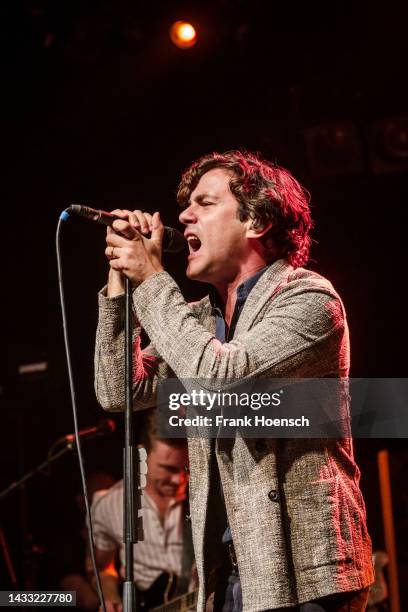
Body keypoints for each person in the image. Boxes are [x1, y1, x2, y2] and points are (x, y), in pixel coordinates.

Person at [94, 150, 374, 611]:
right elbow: (117, 391)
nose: (183, 215)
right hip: (229, 575)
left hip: (308, 576)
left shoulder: (310, 300)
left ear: (256, 221)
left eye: (204, 203)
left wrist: (152, 280)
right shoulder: (195, 322)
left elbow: (222, 376)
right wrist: (122, 284)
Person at [90, 435, 194, 612]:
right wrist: (111, 599)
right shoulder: (108, 504)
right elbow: (102, 569)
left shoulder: (206, 498)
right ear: (142, 455)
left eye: (185, 468)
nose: (179, 479)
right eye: (168, 468)